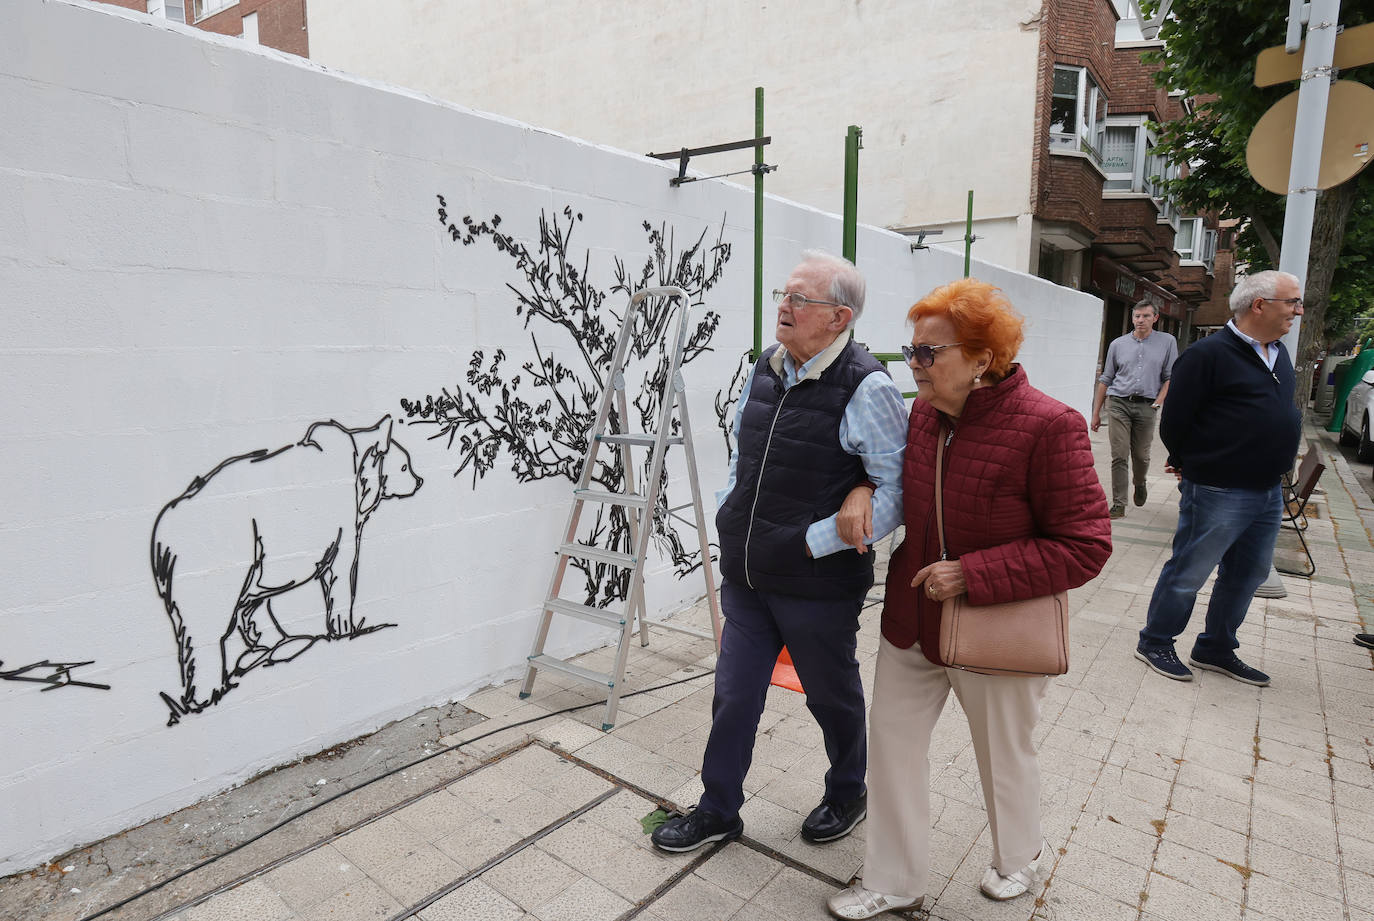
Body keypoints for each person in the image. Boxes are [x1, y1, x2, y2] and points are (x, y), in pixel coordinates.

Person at [827, 279, 1111, 919]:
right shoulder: (924, 415)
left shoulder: (1050, 427)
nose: (914, 366)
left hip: (996, 628)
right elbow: (887, 477)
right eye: (911, 351)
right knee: (893, 748)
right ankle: (894, 879)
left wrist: (973, 573)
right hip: (912, 620)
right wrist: (862, 492)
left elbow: (1086, 545)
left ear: (983, 360)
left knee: (1004, 754)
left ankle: (1019, 857)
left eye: (929, 353)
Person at [650, 251, 908, 853]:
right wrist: (730, 508)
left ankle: (847, 790)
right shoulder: (765, 368)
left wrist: (820, 537)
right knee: (735, 692)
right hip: (748, 571)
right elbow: (745, 453)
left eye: (801, 299)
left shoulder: (867, 386)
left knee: (830, 694)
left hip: (818, 583)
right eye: (783, 296)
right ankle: (718, 808)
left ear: (839, 318)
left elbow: (898, 488)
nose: (785, 307)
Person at [1134, 270, 1304, 687]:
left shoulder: (1278, 353)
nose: (1298, 311)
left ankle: (1215, 648)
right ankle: (1155, 641)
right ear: (1259, 305)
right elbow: (1174, 423)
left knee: (1247, 573)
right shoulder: (1207, 354)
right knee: (1191, 569)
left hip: (1267, 489)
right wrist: (1194, 466)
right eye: (1292, 303)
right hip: (1219, 488)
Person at [1090, 301, 1178, 518]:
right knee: (1119, 454)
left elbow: (1170, 377)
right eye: (1137, 316)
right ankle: (1119, 503)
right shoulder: (1118, 344)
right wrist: (1095, 413)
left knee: (1141, 455)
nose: (1140, 320)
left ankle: (1140, 482)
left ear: (1155, 318)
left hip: (1148, 405)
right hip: (1119, 402)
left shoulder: (1167, 342)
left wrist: (1158, 402)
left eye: (1146, 316)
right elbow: (1106, 379)